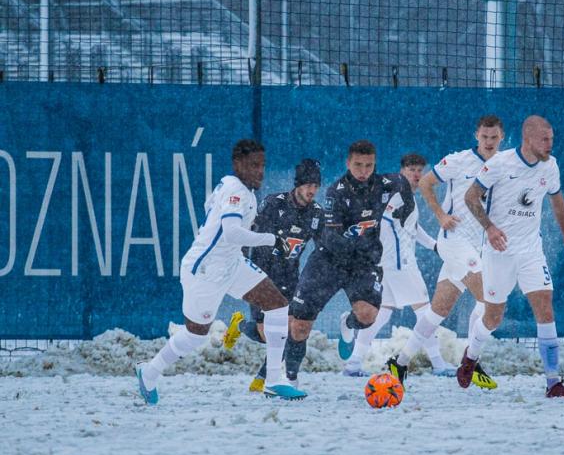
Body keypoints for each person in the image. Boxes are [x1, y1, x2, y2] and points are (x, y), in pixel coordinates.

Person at [135, 139, 307, 404]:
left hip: (231, 263)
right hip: (205, 270)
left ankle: (273, 380)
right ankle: (150, 371)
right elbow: (231, 232)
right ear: (238, 165)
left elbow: (213, 214)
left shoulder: (234, 187)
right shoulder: (236, 190)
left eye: (262, 165)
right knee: (195, 334)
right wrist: (270, 239)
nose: (260, 171)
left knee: (277, 304)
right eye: (253, 165)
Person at [459, 115, 564, 398]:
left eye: (552, 138)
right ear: (528, 138)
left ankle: (553, 382)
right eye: (545, 139)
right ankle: (471, 355)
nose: (550, 144)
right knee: (493, 318)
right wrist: (489, 228)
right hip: (499, 252)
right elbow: (470, 197)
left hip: (531, 252)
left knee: (545, 307)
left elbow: (557, 199)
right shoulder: (501, 164)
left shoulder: (550, 166)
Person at [284, 140, 415, 395]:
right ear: (348, 163)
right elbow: (333, 238)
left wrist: (405, 210)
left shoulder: (387, 183)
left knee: (367, 317)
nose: (363, 171)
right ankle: (289, 380)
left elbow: (404, 184)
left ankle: (348, 323)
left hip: (362, 263)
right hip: (329, 261)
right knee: (299, 326)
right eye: (358, 165)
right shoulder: (337, 192)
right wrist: (359, 247)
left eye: (369, 165)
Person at [386, 115, 505, 389]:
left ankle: (400, 362)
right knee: (489, 300)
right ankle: (471, 361)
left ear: (501, 137)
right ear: (477, 135)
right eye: (484, 137)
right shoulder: (459, 160)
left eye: (494, 137)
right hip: (454, 241)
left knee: (437, 311)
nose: (488, 142)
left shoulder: (504, 165)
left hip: (479, 245)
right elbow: (426, 183)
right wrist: (440, 215)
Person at [341, 153, 452, 377]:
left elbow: (412, 228)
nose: (416, 174)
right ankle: (438, 364)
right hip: (400, 265)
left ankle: (353, 364)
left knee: (382, 313)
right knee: (425, 312)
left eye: (420, 170)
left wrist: (435, 246)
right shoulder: (397, 194)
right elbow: (384, 222)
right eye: (411, 170)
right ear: (402, 171)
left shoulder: (405, 196)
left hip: (388, 265)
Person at [220, 159, 324, 393]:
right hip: (262, 273)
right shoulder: (272, 204)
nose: (312, 190)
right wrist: (244, 270)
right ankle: (242, 326)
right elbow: (248, 238)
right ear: (297, 184)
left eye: (316, 185)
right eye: (308, 184)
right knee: (267, 334)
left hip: (291, 277)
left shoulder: (317, 214)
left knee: (292, 331)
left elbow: (324, 248)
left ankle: (276, 378)